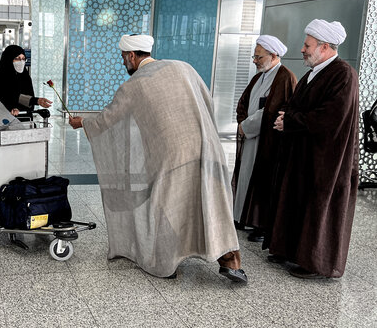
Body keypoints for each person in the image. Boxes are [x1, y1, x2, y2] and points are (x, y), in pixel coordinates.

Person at [68, 34, 247, 282]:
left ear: (131, 56)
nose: (123, 63)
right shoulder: (183, 67)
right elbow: (208, 101)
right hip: (208, 148)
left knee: (167, 206)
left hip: (171, 156)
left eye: (123, 58)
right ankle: (231, 262)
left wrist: (83, 123)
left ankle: (167, 263)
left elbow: (108, 120)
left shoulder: (134, 85)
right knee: (212, 202)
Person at [268, 20, 359, 279]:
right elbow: (299, 106)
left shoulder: (343, 74)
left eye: (307, 45)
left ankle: (314, 263)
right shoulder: (312, 73)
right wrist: (287, 117)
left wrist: (291, 121)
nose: (302, 50)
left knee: (319, 206)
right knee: (297, 201)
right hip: (304, 153)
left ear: (325, 47)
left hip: (327, 159)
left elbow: (331, 116)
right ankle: (288, 250)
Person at [232, 36, 297, 242]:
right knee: (245, 176)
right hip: (250, 136)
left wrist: (246, 126)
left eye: (258, 57)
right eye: (254, 56)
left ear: (273, 55)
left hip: (267, 141)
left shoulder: (284, 78)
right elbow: (244, 101)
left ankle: (260, 224)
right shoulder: (259, 76)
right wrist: (242, 122)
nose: (255, 60)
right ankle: (241, 216)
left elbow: (271, 111)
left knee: (262, 181)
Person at [0, 45, 52, 116]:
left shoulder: (25, 76)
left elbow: (28, 95)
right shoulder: (2, 76)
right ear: (9, 59)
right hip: (5, 118)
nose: (21, 62)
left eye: (23, 59)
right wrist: (11, 107)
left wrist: (36, 101)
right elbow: (6, 95)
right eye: (17, 58)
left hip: (24, 117)